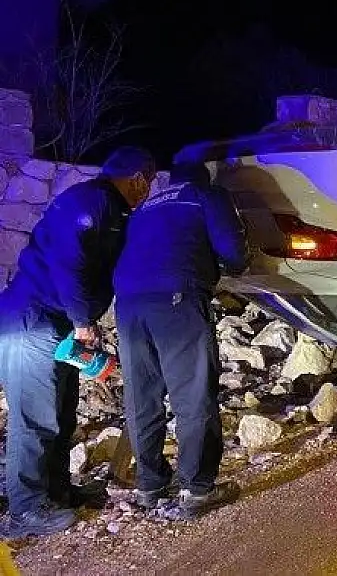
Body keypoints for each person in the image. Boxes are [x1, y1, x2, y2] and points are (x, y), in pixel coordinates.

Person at [0, 147, 155, 539]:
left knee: (61, 411)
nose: (148, 192)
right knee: (35, 416)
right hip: (30, 319)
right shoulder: (91, 201)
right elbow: (69, 262)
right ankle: (25, 510)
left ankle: (56, 492)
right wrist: (84, 321)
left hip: (54, 321)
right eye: (148, 183)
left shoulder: (110, 208)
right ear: (137, 178)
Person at [112, 160, 249, 520]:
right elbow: (232, 249)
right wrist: (236, 266)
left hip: (128, 307)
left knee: (143, 396)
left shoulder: (146, 206)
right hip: (176, 299)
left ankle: (150, 485)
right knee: (192, 393)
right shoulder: (205, 195)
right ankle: (197, 489)